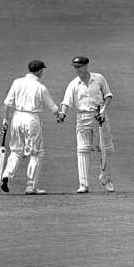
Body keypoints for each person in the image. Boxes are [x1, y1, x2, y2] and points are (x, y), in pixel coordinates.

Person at [0, 60, 60, 195]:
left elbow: (7, 103)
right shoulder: (40, 87)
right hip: (32, 119)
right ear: (39, 71)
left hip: (17, 117)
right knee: (36, 153)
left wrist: (5, 120)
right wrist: (59, 115)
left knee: (15, 151)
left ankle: (6, 176)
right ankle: (31, 186)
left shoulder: (17, 82)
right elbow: (52, 107)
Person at [56, 56, 116, 193]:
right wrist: (63, 114)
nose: (77, 70)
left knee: (106, 148)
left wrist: (103, 111)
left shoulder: (99, 78)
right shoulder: (73, 84)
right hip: (83, 117)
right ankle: (83, 184)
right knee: (82, 149)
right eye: (75, 67)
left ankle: (106, 179)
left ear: (86, 65)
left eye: (79, 67)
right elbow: (66, 102)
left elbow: (108, 96)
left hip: (99, 115)